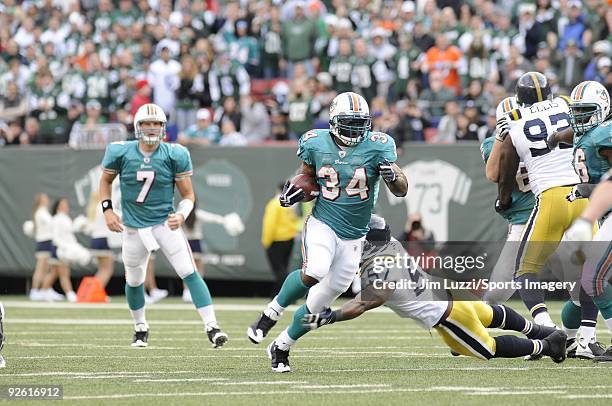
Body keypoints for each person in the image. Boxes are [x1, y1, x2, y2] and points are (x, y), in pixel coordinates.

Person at [247, 92, 408, 372]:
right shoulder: (315, 142)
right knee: (316, 270)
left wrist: (393, 176)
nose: (356, 129)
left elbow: (402, 189)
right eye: (349, 122)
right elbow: (306, 178)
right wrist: (294, 193)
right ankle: (270, 313)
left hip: (355, 235)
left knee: (317, 306)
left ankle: (282, 346)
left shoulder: (380, 145)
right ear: (334, 121)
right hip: (324, 222)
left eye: (361, 123)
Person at [301, 216, 567, 363]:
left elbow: (367, 301)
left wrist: (332, 316)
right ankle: (543, 330)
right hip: (445, 294)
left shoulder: (379, 266)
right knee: (489, 313)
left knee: (487, 349)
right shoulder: (391, 244)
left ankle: (544, 345)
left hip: (447, 315)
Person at [99, 103, 228, 348]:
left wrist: (181, 213)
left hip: (163, 223)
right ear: (137, 127)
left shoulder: (174, 154)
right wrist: (107, 210)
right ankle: (140, 327)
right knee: (134, 280)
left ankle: (212, 326)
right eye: (146, 123)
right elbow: (105, 180)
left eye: (156, 123)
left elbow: (189, 196)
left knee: (188, 271)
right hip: (134, 227)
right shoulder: (121, 151)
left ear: (163, 127)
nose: (151, 128)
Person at [497, 72, 602, 358]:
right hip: (582, 195)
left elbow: (506, 166)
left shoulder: (515, 119)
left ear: (519, 97)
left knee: (525, 270)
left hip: (552, 197)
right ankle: (586, 340)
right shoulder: (568, 104)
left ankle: (545, 328)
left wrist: (503, 199)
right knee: (590, 272)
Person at [556, 81, 611, 360]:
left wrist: (584, 190)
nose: (578, 118)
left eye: (585, 112)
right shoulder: (587, 135)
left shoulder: (604, 134)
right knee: (592, 280)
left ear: (602, 109)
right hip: (605, 217)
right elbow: (565, 136)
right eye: (575, 112)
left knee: (592, 278)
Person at [480, 96, 535, 304]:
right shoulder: (492, 145)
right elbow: (493, 174)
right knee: (496, 291)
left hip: (548, 208)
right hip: (522, 216)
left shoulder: (538, 135)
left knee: (578, 277)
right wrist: (500, 139)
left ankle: (580, 331)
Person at [262, 183, 300, 298]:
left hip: (277, 240)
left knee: (279, 271)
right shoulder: (289, 205)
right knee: (283, 269)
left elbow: (270, 224)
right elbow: (294, 221)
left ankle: (287, 294)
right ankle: (282, 295)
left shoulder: (274, 204)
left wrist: (266, 241)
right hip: (289, 239)